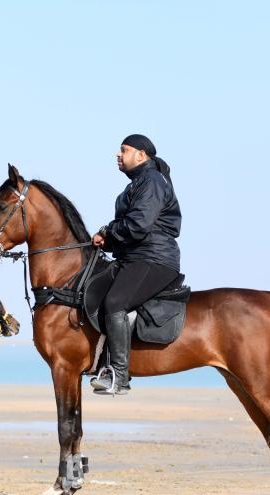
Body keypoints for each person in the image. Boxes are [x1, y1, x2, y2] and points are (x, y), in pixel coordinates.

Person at [90, 134, 182, 394]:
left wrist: (108, 231)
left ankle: (119, 375)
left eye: (124, 150)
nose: (118, 155)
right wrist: (107, 242)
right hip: (134, 256)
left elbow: (139, 224)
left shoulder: (151, 181)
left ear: (141, 155)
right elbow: (131, 229)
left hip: (154, 258)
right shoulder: (137, 184)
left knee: (115, 303)